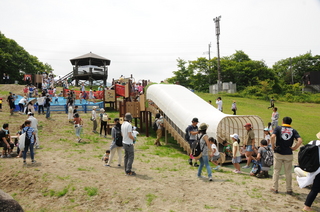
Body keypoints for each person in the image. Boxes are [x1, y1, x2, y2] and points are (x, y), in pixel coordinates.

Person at [270, 116, 302, 195]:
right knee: (288, 172)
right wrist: (294, 148)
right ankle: (289, 189)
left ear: (282, 121)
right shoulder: (293, 130)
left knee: (276, 171)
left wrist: (273, 146)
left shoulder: (278, 128)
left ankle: (275, 188)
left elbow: (272, 136)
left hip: (279, 152)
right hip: (288, 153)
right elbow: (300, 140)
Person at [300, 132, 320, 212]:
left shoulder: (313, 142)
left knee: (315, 188)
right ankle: (307, 206)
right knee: (315, 189)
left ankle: (307, 206)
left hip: (312, 167)